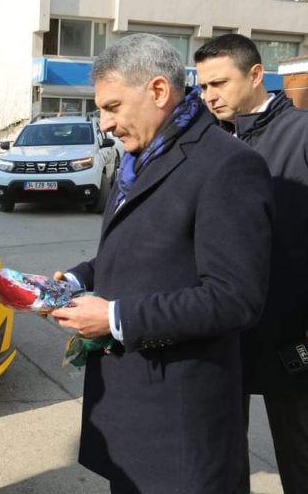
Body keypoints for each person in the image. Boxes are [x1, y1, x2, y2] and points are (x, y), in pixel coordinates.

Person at [49, 34, 274, 493]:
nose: (105, 124)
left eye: (112, 107)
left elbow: (234, 298)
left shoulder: (227, 165)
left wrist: (114, 317)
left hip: (181, 424)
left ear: (157, 91)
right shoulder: (138, 159)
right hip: (130, 414)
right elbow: (139, 249)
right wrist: (75, 280)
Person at [195, 34, 308, 494]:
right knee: (221, 459)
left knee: (301, 456)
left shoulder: (301, 134)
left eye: (219, 83)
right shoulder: (208, 142)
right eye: (202, 87)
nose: (209, 96)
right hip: (223, 332)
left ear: (256, 75)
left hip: (292, 332)